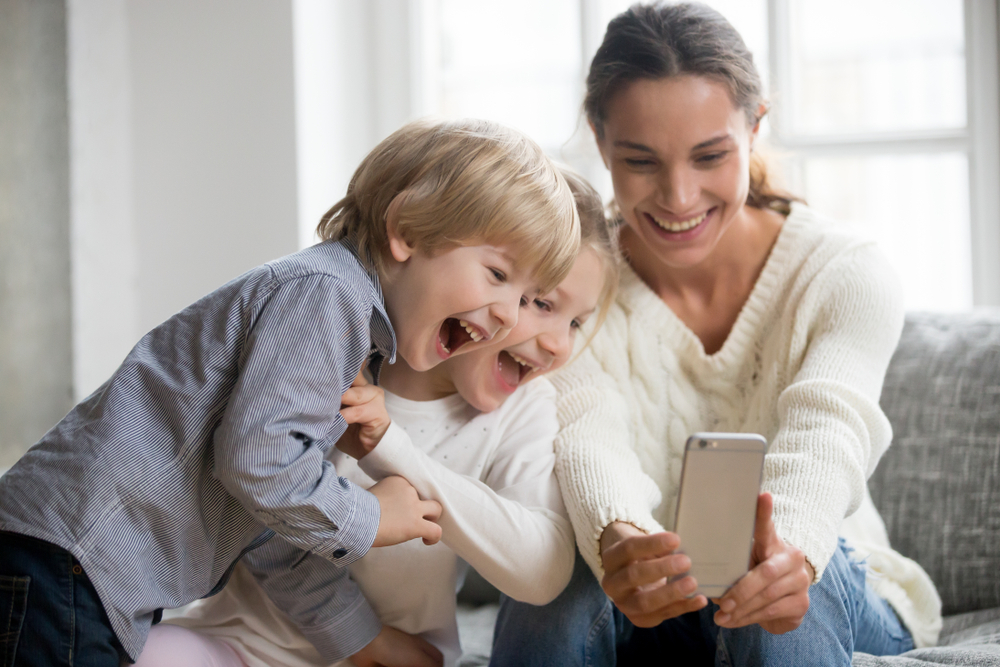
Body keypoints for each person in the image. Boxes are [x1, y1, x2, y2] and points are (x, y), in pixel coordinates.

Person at [0, 118, 581, 667]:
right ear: (406, 231)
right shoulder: (327, 296)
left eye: (530, 294)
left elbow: (268, 523)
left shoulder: (349, 338)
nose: (509, 314)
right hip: (69, 560)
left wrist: (361, 638)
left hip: (75, 566)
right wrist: (370, 517)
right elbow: (258, 462)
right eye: (499, 276)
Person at [490, 4, 942, 666]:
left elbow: (827, 433)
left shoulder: (844, 272)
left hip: (820, 576)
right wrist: (618, 539)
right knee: (555, 575)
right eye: (640, 160)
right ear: (598, 136)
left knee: (774, 583)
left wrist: (788, 548)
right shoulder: (568, 287)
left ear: (755, 126)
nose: (678, 197)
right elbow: (587, 433)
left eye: (710, 156)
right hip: (649, 600)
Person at [128, 168, 621, 667]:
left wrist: (394, 450)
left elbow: (541, 573)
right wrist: (356, 634)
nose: (560, 344)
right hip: (242, 642)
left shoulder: (524, 409)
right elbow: (261, 502)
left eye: (576, 321)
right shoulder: (339, 348)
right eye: (539, 303)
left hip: (399, 659)